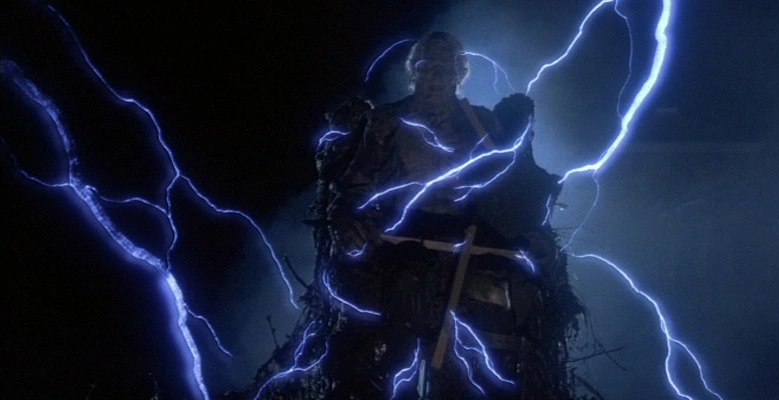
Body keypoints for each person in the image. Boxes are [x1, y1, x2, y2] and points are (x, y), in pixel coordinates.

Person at [248, 32, 586, 400]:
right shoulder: (386, 122)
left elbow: (510, 193)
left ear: (459, 73)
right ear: (414, 72)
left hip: (468, 239)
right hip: (401, 237)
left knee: (510, 304)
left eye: (444, 68)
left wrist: (531, 233)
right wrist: (348, 220)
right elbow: (354, 186)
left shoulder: (483, 123)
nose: (435, 77)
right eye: (426, 67)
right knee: (403, 296)